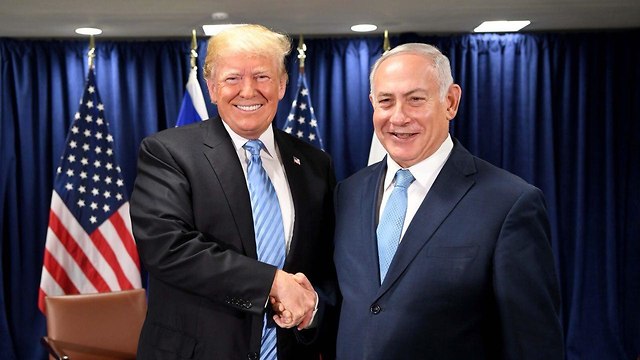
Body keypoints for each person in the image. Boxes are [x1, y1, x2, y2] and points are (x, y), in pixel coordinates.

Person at [333, 43, 564, 359]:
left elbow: (534, 344)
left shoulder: (509, 203)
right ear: (373, 104)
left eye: (416, 100)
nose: (398, 117)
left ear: (451, 102)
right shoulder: (348, 193)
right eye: (386, 101)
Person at [130, 24, 337, 360]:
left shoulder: (315, 165)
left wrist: (312, 310)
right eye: (232, 79)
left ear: (282, 84)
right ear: (211, 88)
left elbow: (327, 266)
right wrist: (271, 282)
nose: (248, 90)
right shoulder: (168, 152)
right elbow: (166, 247)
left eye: (262, 76)